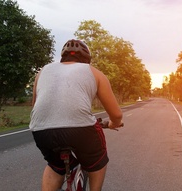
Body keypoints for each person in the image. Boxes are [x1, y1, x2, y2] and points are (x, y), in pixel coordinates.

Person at [29, 39, 123, 191]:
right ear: (87, 59)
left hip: (41, 129)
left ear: (63, 57)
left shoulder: (43, 71)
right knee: (97, 160)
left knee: (55, 166)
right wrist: (114, 123)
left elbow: (34, 106)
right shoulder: (93, 72)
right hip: (81, 130)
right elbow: (116, 114)